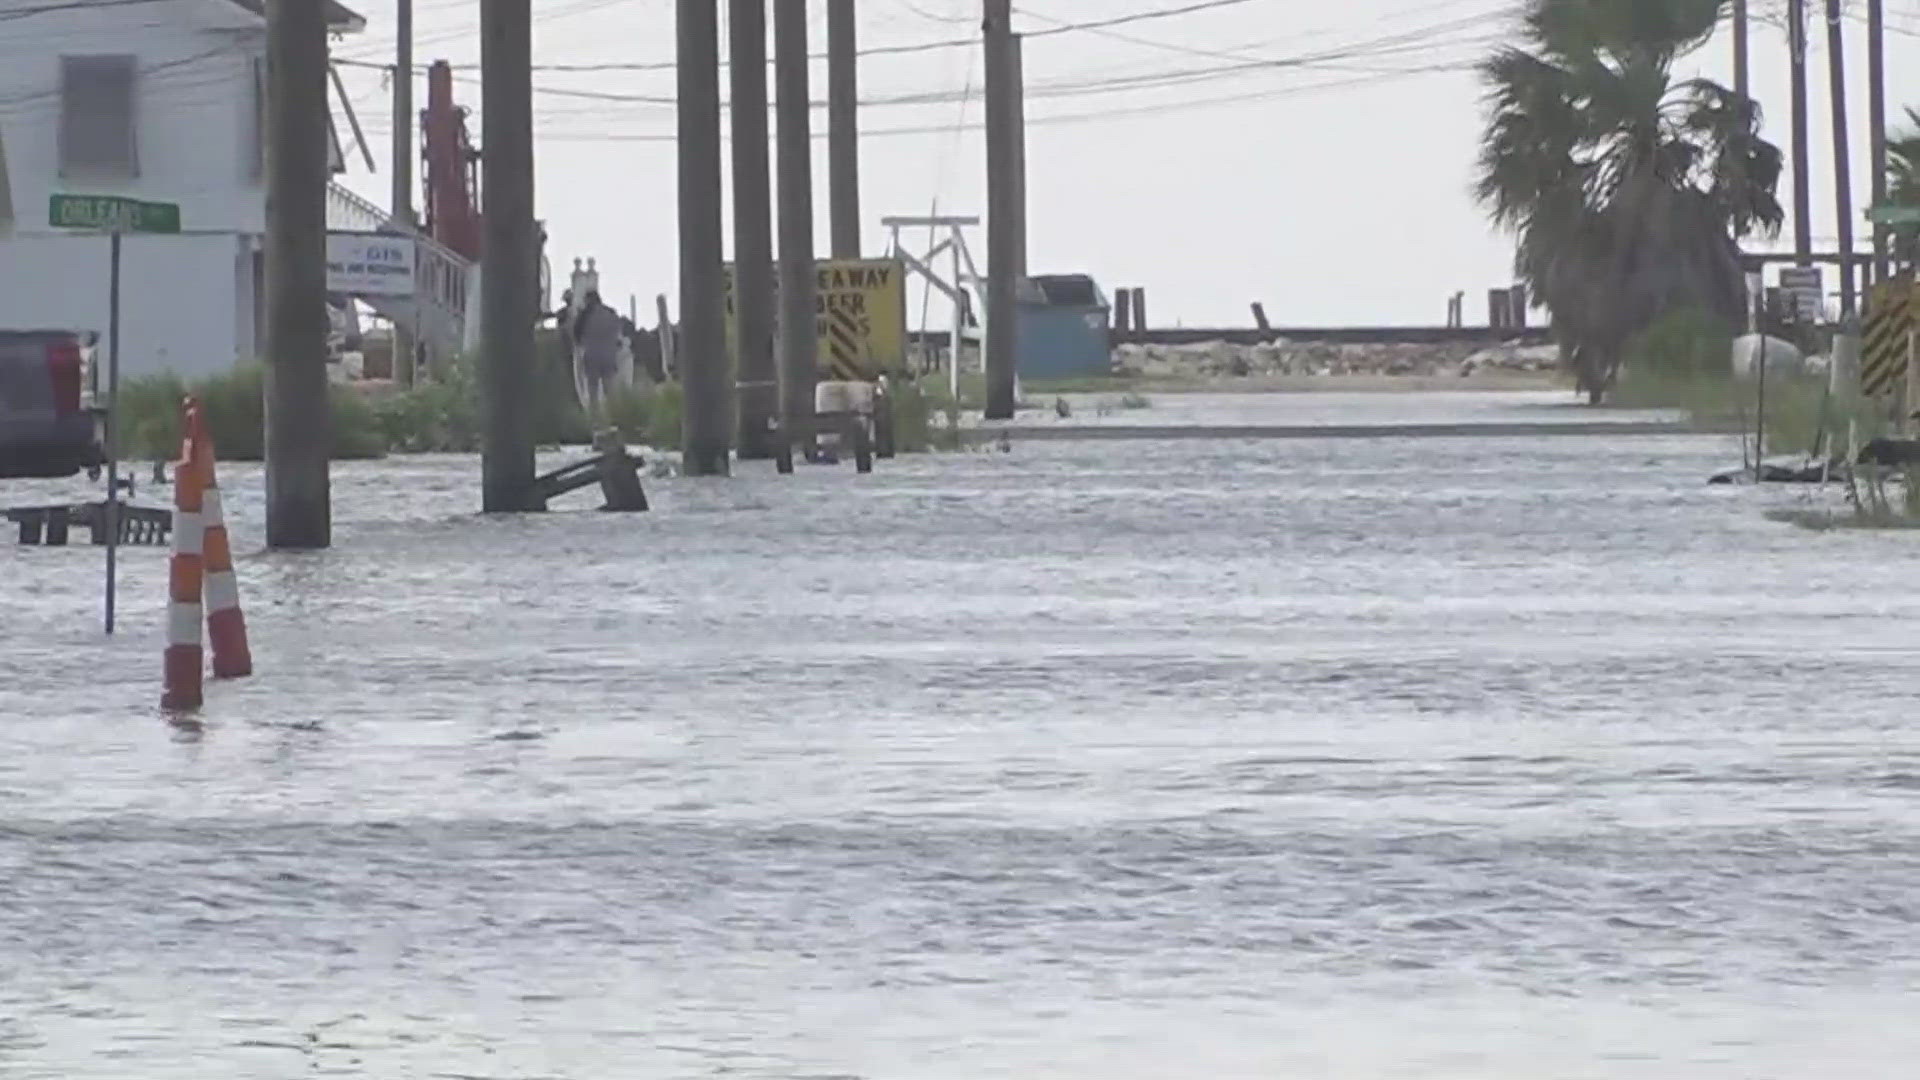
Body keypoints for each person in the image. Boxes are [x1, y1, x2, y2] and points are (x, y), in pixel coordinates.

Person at [572, 290, 624, 422]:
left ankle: (595, 421)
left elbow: (576, 335)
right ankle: (614, 419)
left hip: (591, 355)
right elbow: (619, 335)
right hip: (609, 355)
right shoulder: (611, 313)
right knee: (610, 390)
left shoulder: (585, 315)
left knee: (592, 391)